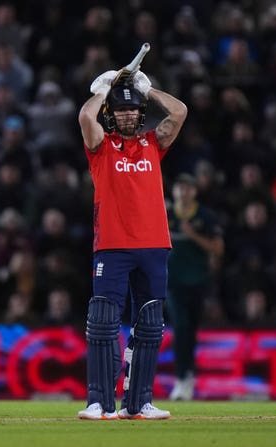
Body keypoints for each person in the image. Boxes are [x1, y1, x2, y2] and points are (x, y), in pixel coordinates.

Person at [76, 68, 187, 420]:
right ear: (111, 113)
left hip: (155, 245)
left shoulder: (153, 144)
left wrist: (147, 88)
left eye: (133, 109)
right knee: (104, 321)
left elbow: (180, 112)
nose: (127, 114)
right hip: (112, 245)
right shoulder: (101, 148)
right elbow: (84, 117)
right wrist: (103, 90)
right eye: (120, 110)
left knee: (150, 323)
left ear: (140, 114)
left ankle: (138, 404)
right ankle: (99, 402)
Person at [166, 173, 224, 401]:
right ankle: (181, 378)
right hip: (173, 283)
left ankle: (188, 376)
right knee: (180, 327)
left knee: (191, 330)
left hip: (199, 282)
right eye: (179, 187)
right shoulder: (166, 215)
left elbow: (218, 248)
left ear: (194, 192)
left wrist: (193, 235)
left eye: (187, 188)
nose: (183, 192)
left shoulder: (205, 216)